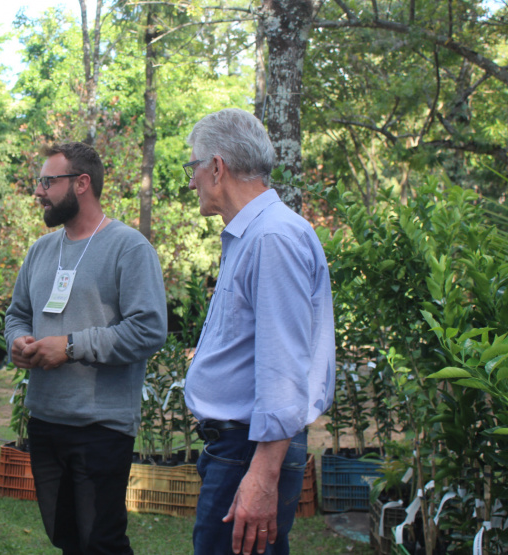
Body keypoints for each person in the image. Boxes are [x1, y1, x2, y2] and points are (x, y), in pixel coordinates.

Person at [182, 109, 335, 555]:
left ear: (216, 167)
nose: (191, 182)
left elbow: (283, 369)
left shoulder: (272, 238)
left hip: (249, 450)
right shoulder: (253, 234)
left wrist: (262, 478)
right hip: (237, 448)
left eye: (193, 167)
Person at [5, 142, 167, 554]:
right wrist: (18, 341)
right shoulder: (41, 250)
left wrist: (73, 346)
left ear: (81, 183)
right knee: (66, 538)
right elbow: (17, 314)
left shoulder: (129, 247)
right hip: (45, 419)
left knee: (102, 541)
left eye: (47, 181)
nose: (37, 192)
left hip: (101, 426)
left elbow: (149, 330)